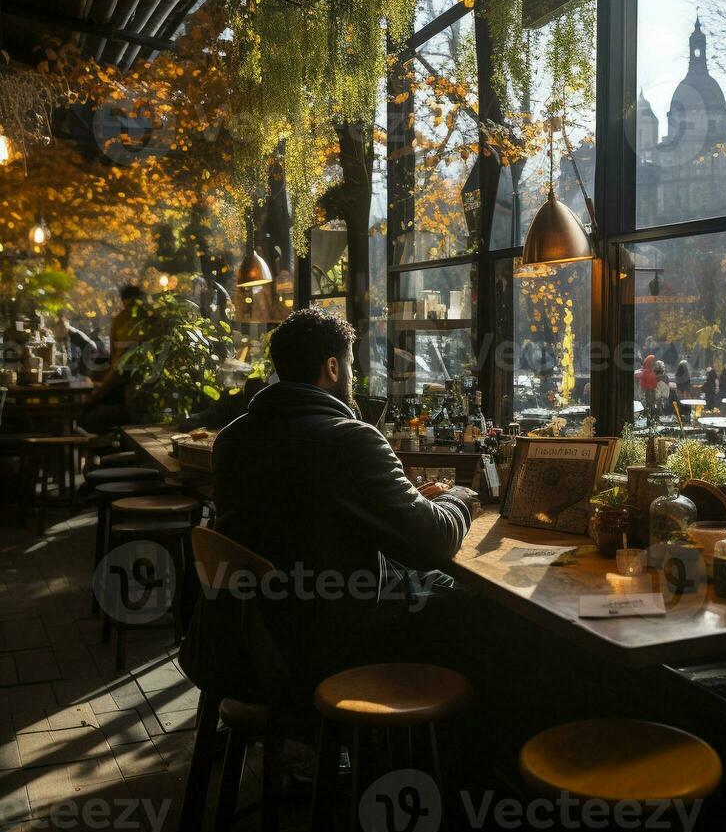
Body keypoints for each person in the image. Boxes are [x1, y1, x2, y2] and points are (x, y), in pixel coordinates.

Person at [179, 308, 483, 700]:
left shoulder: (233, 439)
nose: (353, 376)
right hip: (329, 646)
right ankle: (432, 751)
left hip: (250, 640)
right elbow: (435, 541)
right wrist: (459, 498)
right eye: (352, 365)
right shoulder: (350, 440)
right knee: (477, 604)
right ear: (333, 368)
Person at [78, 285, 145, 433]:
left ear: (122, 301)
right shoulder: (151, 318)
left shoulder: (124, 320)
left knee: (83, 416)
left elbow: (119, 368)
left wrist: (99, 392)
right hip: (137, 399)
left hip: (130, 403)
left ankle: (105, 447)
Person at [636, 354, 659, 423]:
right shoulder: (646, 372)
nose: (654, 363)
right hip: (648, 392)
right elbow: (643, 384)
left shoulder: (652, 371)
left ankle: (651, 420)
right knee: (649, 406)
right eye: (653, 361)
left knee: (651, 406)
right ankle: (649, 420)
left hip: (652, 391)